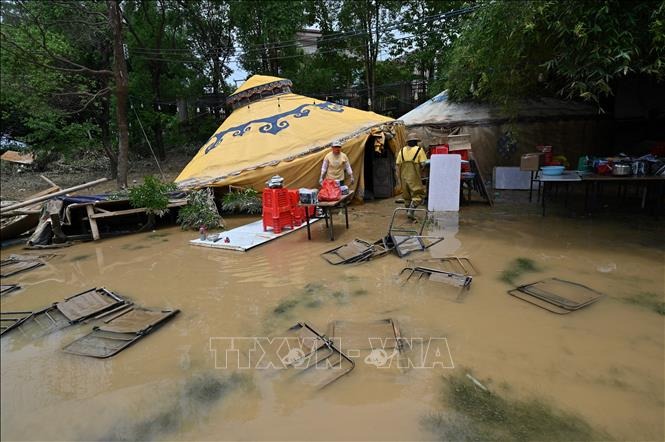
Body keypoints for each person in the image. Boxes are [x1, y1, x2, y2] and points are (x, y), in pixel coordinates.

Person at [396, 132, 428, 218]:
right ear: (416, 141)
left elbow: (398, 164)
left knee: (406, 196)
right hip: (414, 176)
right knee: (418, 194)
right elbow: (423, 163)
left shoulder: (401, 150)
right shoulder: (419, 150)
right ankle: (411, 211)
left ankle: (409, 213)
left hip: (403, 176)